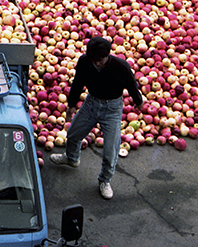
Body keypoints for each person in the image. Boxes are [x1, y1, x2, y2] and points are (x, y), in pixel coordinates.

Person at [49, 36, 143, 200]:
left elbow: (132, 85)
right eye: (94, 60)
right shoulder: (85, 62)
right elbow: (78, 83)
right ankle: (71, 158)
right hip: (91, 103)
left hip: (112, 108)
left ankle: (105, 181)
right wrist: (71, 104)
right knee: (73, 134)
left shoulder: (121, 67)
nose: (97, 63)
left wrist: (138, 102)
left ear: (108, 55)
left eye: (100, 60)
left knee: (110, 150)